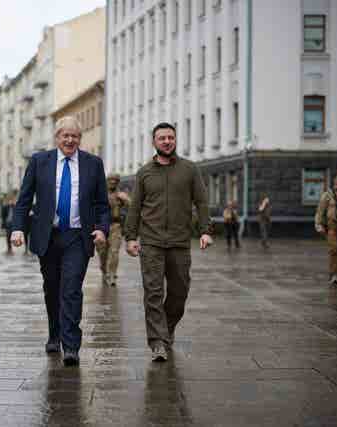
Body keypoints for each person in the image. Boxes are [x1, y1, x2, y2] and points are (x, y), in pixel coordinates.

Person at [11, 116, 110, 366]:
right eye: (65, 135)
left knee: (71, 289)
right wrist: (18, 229)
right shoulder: (39, 161)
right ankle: (54, 334)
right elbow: (24, 199)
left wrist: (102, 229)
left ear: (80, 138)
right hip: (48, 235)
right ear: (57, 137)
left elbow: (102, 204)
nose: (70, 140)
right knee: (52, 288)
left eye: (74, 136)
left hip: (78, 236)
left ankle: (71, 346)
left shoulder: (93, 164)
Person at [125, 122, 212, 362]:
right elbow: (135, 207)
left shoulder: (189, 170)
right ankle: (158, 342)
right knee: (153, 293)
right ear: (154, 142)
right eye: (162, 138)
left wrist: (205, 230)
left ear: (175, 140)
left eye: (170, 138)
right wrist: (130, 237)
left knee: (179, 293)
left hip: (179, 242)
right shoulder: (144, 173)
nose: (166, 141)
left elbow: (202, 202)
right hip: (151, 243)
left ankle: (167, 327)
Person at [97, 173, 130, 286]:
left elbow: (132, 208)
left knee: (114, 252)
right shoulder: (100, 193)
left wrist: (126, 200)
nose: (113, 182)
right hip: (101, 227)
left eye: (115, 180)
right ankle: (104, 271)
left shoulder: (121, 194)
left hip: (115, 226)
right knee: (102, 253)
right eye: (110, 180)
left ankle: (112, 275)